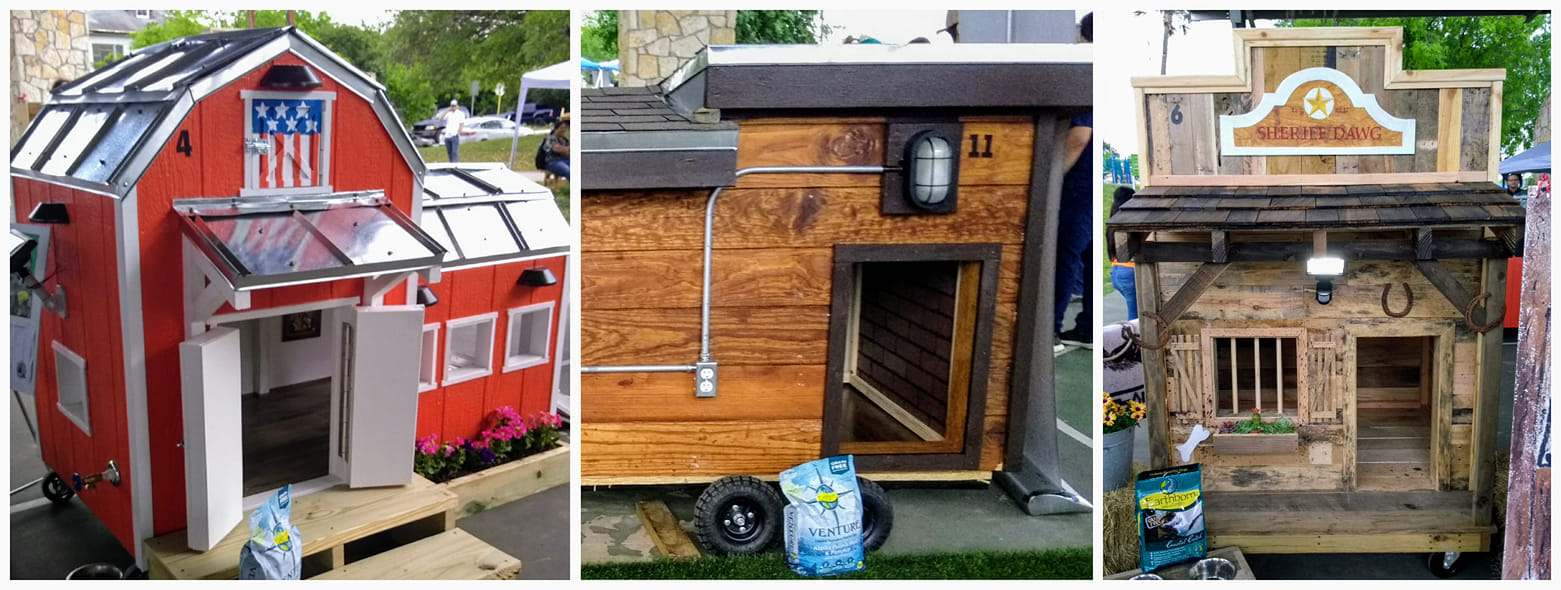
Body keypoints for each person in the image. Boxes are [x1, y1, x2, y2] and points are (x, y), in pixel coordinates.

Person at [1054, 111, 1093, 351]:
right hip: (1088, 181)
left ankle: (1051, 331)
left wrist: (1052, 177)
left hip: (1077, 183)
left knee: (1065, 255)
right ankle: (1087, 328)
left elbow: (1080, 135)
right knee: (1086, 256)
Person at [1108, 186, 1138, 321]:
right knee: (1135, 317)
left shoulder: (1112, 222)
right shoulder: (1129, 221)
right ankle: (1133, 341)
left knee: (1135, 312)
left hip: (1116, 272)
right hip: (1130, 272)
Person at [540, 112, 570, 180]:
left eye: (565, 128)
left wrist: (565, 150)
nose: (563, 130)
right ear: (556, 129)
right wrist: (566, 149)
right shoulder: (551, 138)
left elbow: (569, 152)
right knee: (568, 171)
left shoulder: (566, 140)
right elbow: (557, 149)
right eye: (561, 128)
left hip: (566, 160)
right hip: (553, 162)